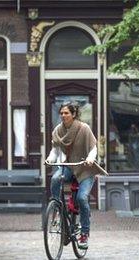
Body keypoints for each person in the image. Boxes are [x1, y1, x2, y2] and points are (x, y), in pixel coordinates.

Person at [45, 102, 97, 249]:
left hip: (85, 169)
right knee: (55, 178)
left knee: (81, 198)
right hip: (69, 166)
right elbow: (55, 150)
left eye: (66, 113)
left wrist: (91, 158)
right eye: (61, 113)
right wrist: (50, 159)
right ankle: (56, 208)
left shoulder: (83, 128)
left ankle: (84, 234)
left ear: (74, 114)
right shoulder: (58, 130)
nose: (63, 115)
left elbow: (93, 148)